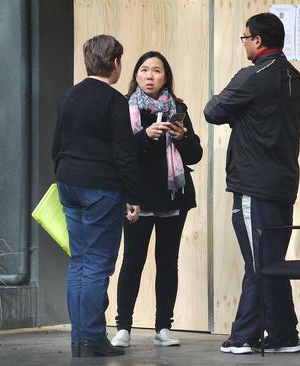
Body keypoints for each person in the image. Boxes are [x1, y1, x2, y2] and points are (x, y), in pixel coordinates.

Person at [204, 12, 300, 354]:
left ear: (258, 41)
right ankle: (283, 334)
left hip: (254, 185)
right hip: (285, 183)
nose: (244, 42)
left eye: (245, 37)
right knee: (271, 260)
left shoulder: (252, 77)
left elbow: (213, 110)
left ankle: (244, 335)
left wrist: (238, 113)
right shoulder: (295, 77)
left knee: (258, 261)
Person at [52, 34, 140, 358]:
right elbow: (124, 154)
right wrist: (133, 196)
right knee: (97, 266)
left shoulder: (69, 96)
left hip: (68, 183)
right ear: (115, 63)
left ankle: (79, 339)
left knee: (78, 262)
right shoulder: (114, 101)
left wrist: (64, 176)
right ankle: (91, 338)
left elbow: (56, 146)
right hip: (101, 188)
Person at [110, 51, 203, 348]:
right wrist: (145, 135)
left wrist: (181, 137)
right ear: (136, 75)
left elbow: (196, 155)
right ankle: (123, 326)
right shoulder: (123, 108)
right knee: (133, 261)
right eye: (144, 70)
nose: (150, 76)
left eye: (157, 71)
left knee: (167, 262)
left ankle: (163, 327)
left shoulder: (180, 108)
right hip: (136, 196)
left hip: (173, 195)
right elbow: (118, 156)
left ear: (166, 77)